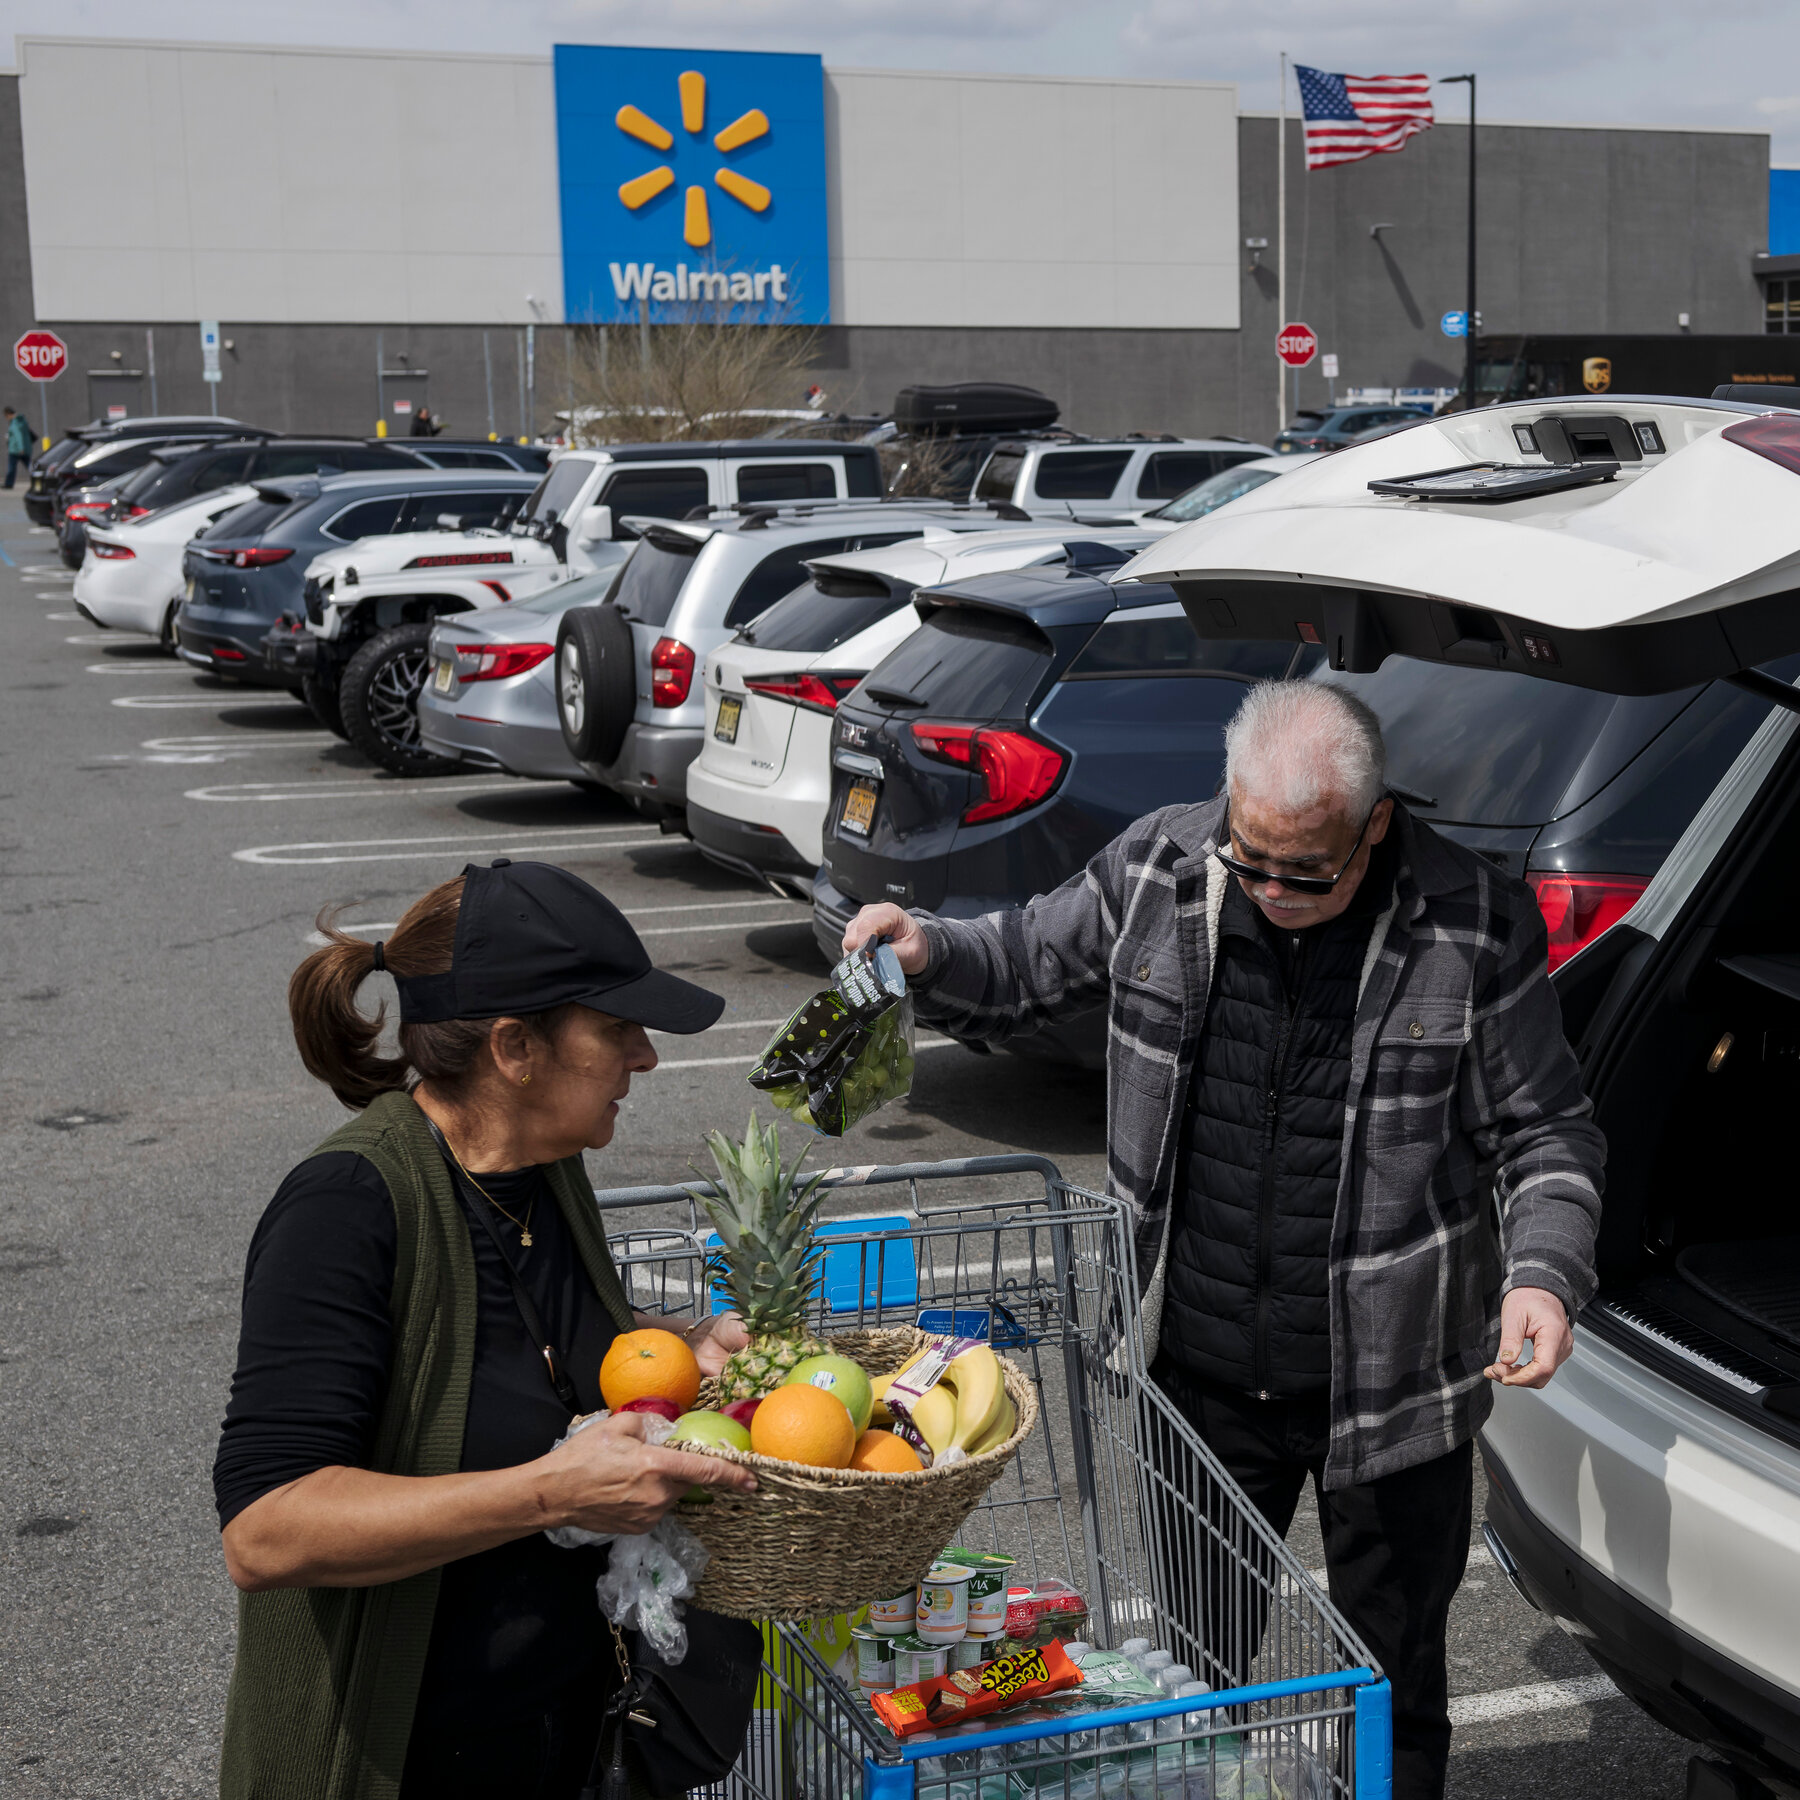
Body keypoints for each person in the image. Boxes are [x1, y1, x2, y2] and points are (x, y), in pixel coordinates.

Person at [843, 681, 1604, 1800]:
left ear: (1375, 822)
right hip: (1198, 1378)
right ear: (1228, 803)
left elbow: (1547, 1131)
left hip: (1395, 1397)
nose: (1275, 891)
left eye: (1311, 869)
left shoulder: (1469, 919)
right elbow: (1023, 959)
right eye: (1254, 858)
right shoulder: (1164, 862)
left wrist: (1542, 1275)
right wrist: (930, 948)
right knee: (1192, 1679)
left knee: (1391, 1693)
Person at [215, 859, 759, 1800]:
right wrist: (546, 1494)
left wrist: (672, 1349)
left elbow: (503, 1340)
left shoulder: (542, 1169)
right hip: (400, 1764)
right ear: (514, 1047)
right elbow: (266, 1530)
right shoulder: (349, 1204)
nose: (647, 1058)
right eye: (618, 1028)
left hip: (559, 1742)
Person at [5, 405, 30, 487]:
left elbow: (18, 436)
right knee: (29, 465)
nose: (6, 418)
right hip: (22, 449)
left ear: (8, 414)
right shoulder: (19, 421)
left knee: (11, 468)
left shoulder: (15, 423)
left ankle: (8, 484)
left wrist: (20, 448)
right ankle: (39, 479)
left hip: (15, 450)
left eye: (6, 416)